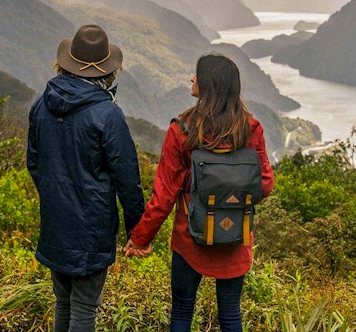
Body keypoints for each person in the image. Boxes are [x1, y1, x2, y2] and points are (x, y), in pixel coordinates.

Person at [124, 52, 274, 332]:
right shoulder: (250, 129)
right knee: (230, 315)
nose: (192, 78)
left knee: (182, 311)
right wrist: (232, 196)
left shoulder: (182, 130)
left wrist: (141, 238)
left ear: (209, 86)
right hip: (235, 236)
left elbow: (164, 196)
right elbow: (264, 185)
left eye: (197, 75)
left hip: (189, 238)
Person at [27, 24, 146, 332]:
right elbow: (127, 179)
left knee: (63, 303)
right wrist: (138, 230)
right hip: (92, 227)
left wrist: (57, 198)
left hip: (55, 222)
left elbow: (35, 164)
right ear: (107, 72)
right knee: (83, 311)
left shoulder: (41, 104)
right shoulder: (107, 114)